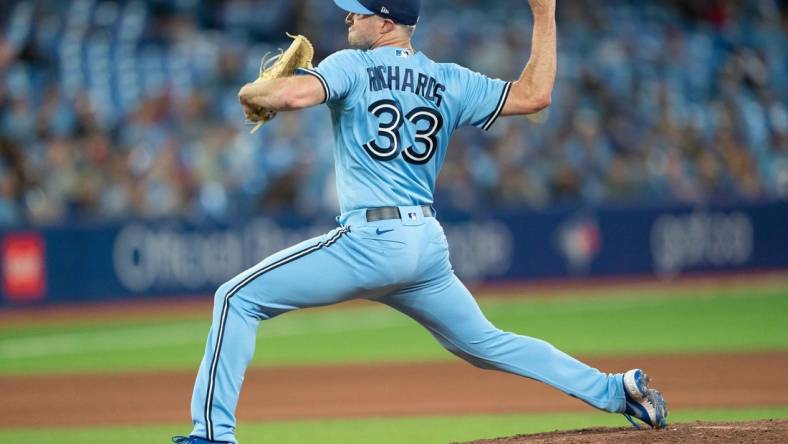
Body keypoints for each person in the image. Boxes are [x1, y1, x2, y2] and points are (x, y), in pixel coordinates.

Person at [173, 1, 668, 442]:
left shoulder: (351, 64)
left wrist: (254, 89)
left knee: (236, 298)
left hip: (371, 240)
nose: (348, 16)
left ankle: (212, 435)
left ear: (385, 23)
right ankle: (615, 391)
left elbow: (290, 98)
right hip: (426, 247)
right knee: (486, 344)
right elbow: (535, 94)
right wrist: (544, 14)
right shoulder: (449, 78)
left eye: (359, 11)